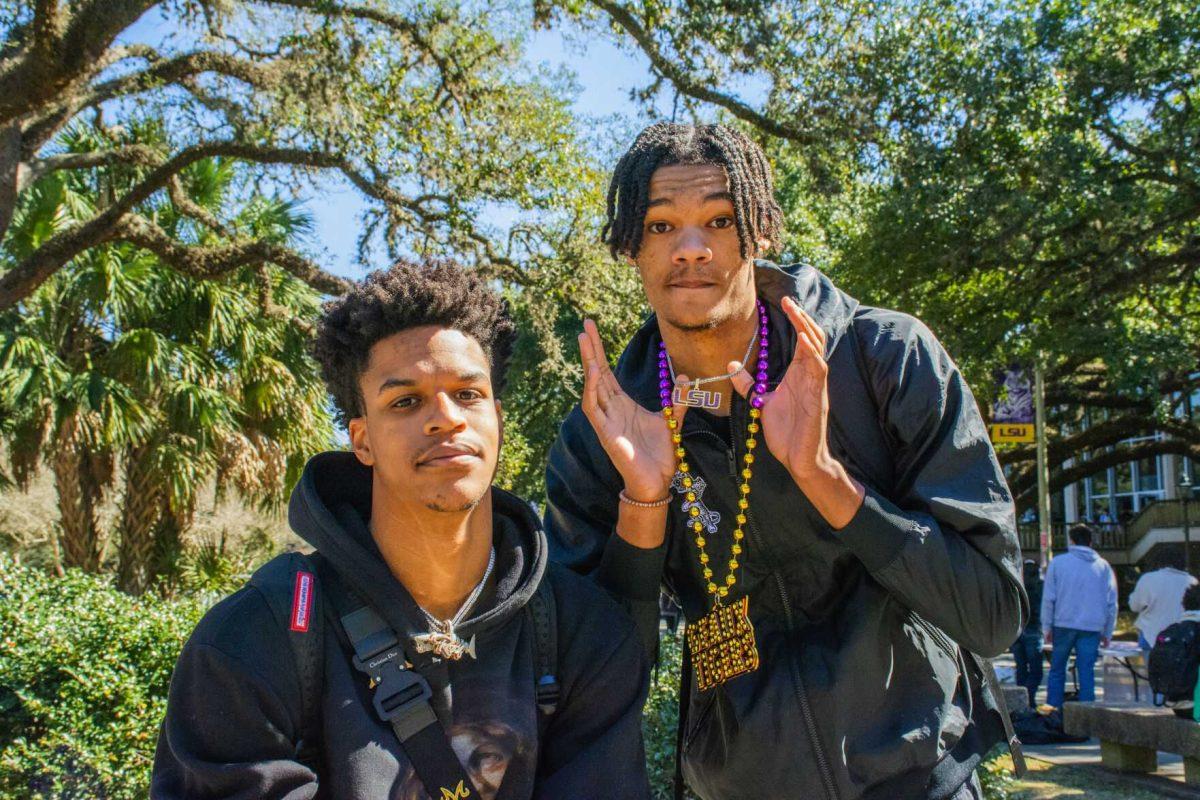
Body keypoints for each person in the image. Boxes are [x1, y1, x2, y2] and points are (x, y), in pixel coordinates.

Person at [545, 123, 1027, 800]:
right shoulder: (601, 433)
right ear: (629, 246)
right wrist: (644, 502)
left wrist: (829, 481)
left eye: (719, 219)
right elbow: (593, 688)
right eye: (660, 226)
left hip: (920, 781)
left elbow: (993, 614)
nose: (691, 248)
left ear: (762, 229)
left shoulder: (883, 361)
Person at [152, 261, 652, 799]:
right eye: (405, 401)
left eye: (468, 394)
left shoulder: (583, 632)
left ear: (498, 420)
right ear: (361, 440)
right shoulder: (258, 636)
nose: (445, 418)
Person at [1041, 524, 1118, 708]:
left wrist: (1046, 627)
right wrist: (1108, 633)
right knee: (1086, 671)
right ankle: (1086, 716)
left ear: (1071, 540)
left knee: (1058, 669)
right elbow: (1111, 603)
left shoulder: (1058, 563)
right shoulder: (1103, 566)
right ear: (1091, 542)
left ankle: (1054, 711)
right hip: (1092, 626)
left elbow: (1049, 599)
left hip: (1063, 623)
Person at [1130, 549, 1196, 660]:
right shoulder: (1191, 581)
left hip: (1151, 636)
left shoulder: (1148, 579)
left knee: (1154, 674)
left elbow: (1134, 606)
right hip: (1183, 638)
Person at [1010, 560, 1044, 707]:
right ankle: (1030, 696)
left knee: (1021, 668)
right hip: (1034, 629)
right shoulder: (1040, 586)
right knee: (1036, 670)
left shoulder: (1014, 583)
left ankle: (1022, 702)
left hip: (1016, 630)